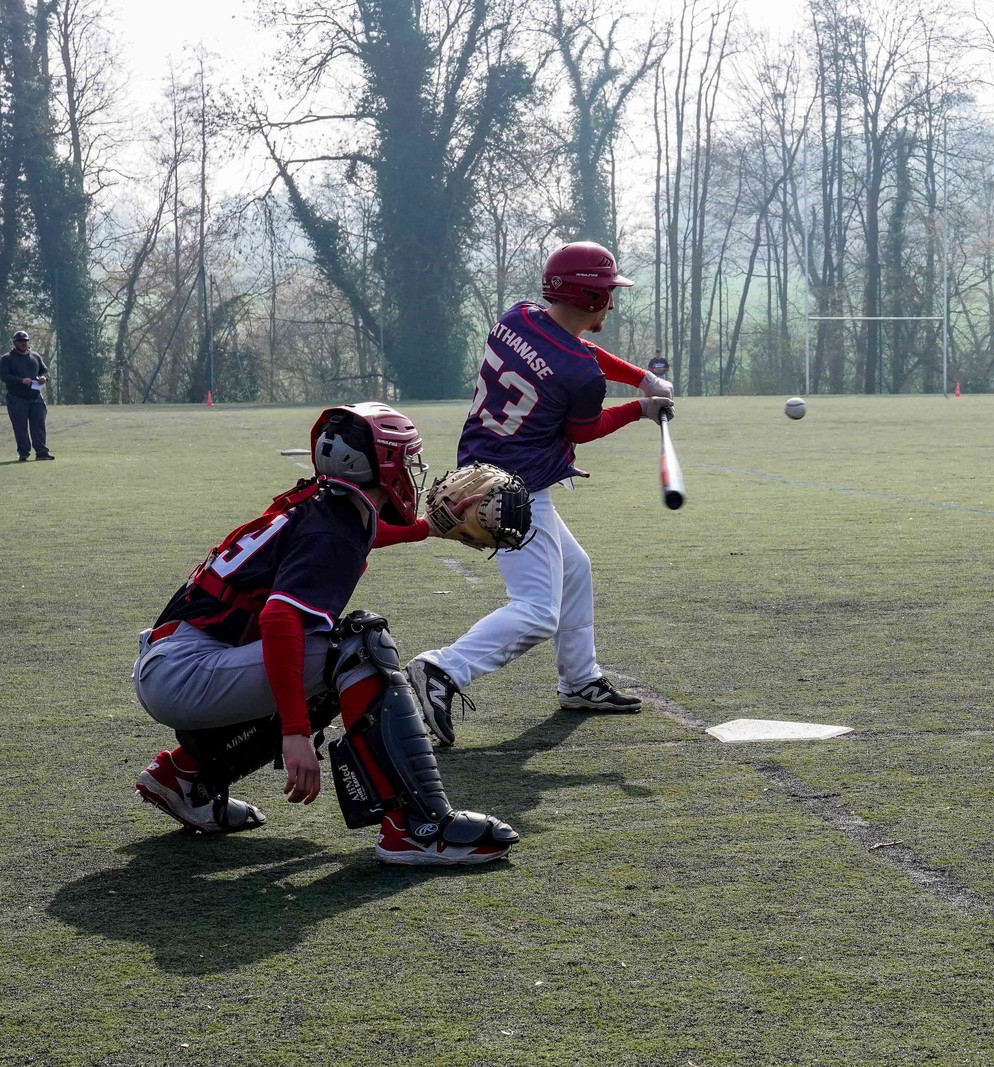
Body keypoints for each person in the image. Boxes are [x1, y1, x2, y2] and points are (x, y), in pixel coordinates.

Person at [132, 402, 519, 865]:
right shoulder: (332, 526)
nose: (416, 469)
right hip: (187, 670)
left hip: (179, 659)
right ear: (382, 464)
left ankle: (183, 776)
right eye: (408, 456)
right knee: (358, 646)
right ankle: (419, 826)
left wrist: (425, 529)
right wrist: (295, 732)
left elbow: (355, 539)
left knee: (331, 669)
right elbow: (280, 619)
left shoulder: (325, 505)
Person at [406, 241, 675, 746]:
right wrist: (642, 409)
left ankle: (580, 680)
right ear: (590, 298)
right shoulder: (578, 373)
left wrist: (642, 379)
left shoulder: (519, 316)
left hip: (485, 465)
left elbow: (576, 350)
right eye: (606, 294)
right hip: (516, 490)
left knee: (576, 570)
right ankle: (442, 670)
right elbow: (584, 428)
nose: (611, 303)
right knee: (535, 612)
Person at [2, 330, 53, 460]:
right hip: (17, 398)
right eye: (20, 341)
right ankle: (23, 453)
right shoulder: (7, 358)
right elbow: (4, 376)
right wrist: (21, 380)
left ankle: (42, 452)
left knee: (39, 425)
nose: (23, 343)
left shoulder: (35, 356)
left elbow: (45, 370)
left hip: (36, 397)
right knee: (20, 427)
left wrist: (43, 377)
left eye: (25, 341)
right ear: (14, 343)